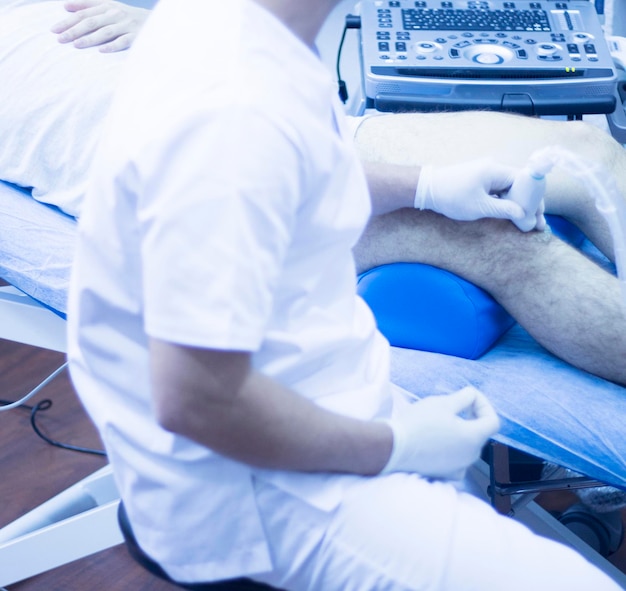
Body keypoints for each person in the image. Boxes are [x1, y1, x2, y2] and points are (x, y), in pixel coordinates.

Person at [66, 0, 624, 588]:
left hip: (329, 404)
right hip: (267, 495)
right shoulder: (222, 111)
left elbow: (292, 164)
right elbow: (197, 399)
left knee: (590, 163)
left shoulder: (249, 32)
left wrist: (428, 185)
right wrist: (394, 446)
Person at [47, 0, 626, 387]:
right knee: (500, 236)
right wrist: (425, 186)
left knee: (588, 151)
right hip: (236, 197)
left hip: (311, 126)